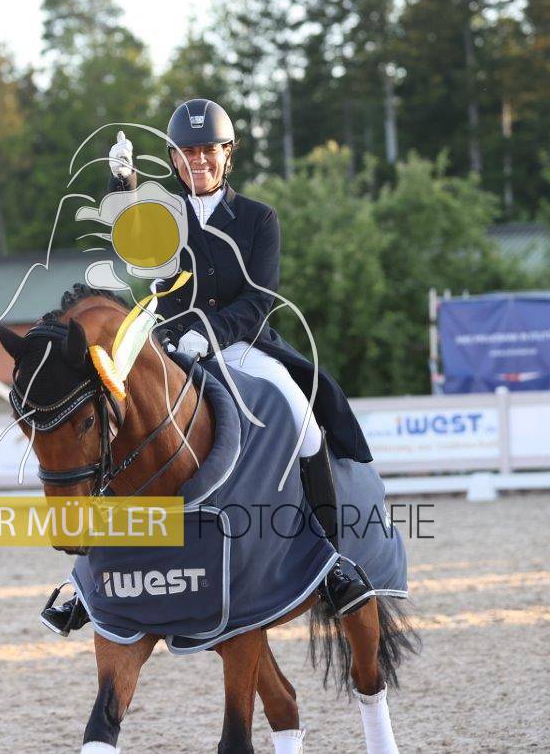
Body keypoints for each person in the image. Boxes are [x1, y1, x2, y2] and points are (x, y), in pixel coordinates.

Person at [42, 98, 378, 636]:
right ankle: (84, 584)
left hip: (239, 343)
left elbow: (260, 297)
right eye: (187, 152)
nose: (198, 160)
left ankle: (333, 564)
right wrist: (121, 183)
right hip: (166, 344)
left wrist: (211, 332)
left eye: (208, 150)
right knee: (104, 418)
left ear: (227, 154)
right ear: (175, 160)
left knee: (304, 422)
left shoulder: (259, 218)